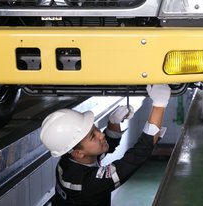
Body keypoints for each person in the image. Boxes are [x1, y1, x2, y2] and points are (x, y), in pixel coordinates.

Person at [39, 84, 171, 205]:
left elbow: (104, 146)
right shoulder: (87, 184)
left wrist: (113, 122)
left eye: (95, 129)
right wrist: (159, 105)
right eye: (92, 136)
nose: (101, 134)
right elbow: (137, 156)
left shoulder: (70, 159)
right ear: (77, 153)